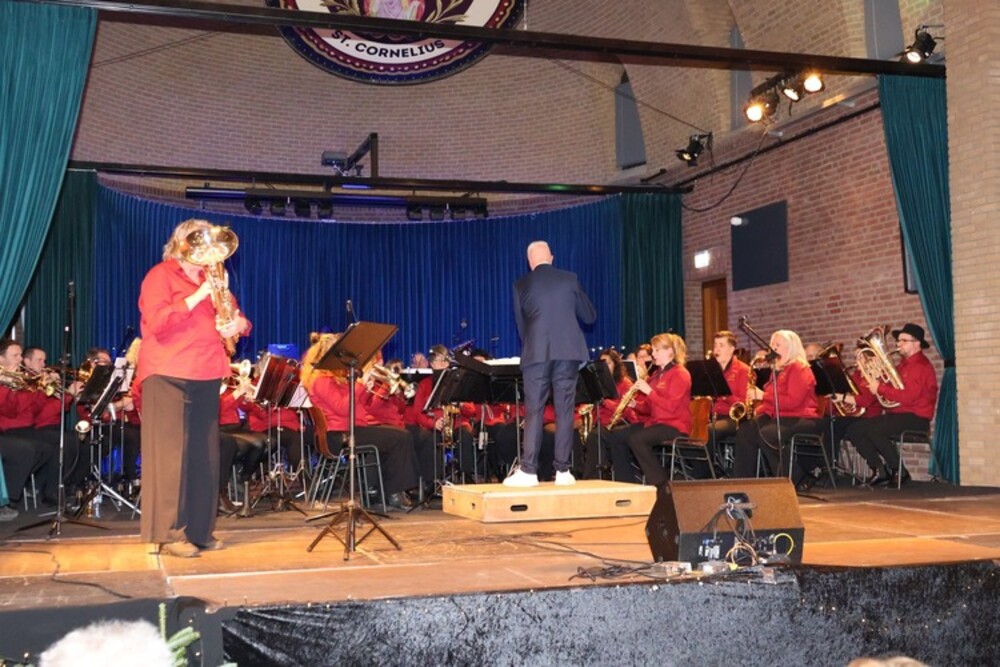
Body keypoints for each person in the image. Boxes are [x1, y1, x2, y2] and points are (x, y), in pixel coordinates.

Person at [135, 219, 251, 558]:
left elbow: (239, 320)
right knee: (170, 456)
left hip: (207, 372)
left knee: (204, 456)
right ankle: (169, 533)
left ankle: (200, 531)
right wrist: (198, 296)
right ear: (180, 243)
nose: (207, 246)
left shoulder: (215, 280)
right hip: (167, 372)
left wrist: (237, 324)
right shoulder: (161, 275)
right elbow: (157, 322)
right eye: (199, 238)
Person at [506, 241, 596, 487]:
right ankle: (563, 471)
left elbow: (521, 326)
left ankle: (529, 471)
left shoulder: (521, 284)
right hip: (568, 351)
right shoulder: (570, 279)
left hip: (536, 352)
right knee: (565, 410)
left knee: (534, 410)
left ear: (530, 261)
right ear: (552, 257)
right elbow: (589, 316)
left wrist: (533, 345)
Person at [844, 323, 938, 487]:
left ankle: (899, 470)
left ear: (917, 344)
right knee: (854, 430)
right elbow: (890, 393)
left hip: (916, 418)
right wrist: (876, 379)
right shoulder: (902, 366)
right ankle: (879, 469)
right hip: (897, 415)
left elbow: (908, 397)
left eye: (903, 341)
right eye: (898, 341)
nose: (898, 344)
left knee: (875, 430)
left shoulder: (921, 366)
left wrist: (880, 388)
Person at [732, 330, 821, 480]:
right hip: (780, 415)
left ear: (791, 347)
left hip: (801, 417)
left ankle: (791, 475)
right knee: (746, 430)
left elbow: (792, 402)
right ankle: (742, 479)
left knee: (767, 435)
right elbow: (772, 402)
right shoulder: (777, 370)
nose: (773, 348)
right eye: (772, 344)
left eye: (777, 345)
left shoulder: (799, 368)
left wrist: (763, 396)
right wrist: (759, 410)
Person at [621, 333, 692, 485]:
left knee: (637, 439)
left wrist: (649, 392)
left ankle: (660, 483)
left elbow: (671, 407)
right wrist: (635, 405)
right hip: (656, 423)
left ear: (670, 351)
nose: (653, 354)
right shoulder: (656, 374)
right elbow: (649, 408)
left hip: (674, 425)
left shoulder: (680, 373)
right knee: (615, 436)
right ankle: (625, 481)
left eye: (657, 350)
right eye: (653, 350)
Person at [705, 330, 750, 474]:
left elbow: (743, 403)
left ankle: (704, 473)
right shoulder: (711, 370)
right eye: (715, 345)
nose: (716, 349)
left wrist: (725, 394)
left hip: (734, 419)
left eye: (721, 345)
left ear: (731, 349)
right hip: (713, 415)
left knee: (709, 431)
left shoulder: (743, 370)